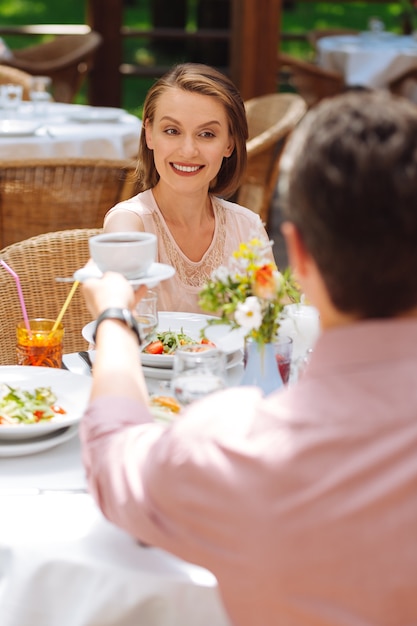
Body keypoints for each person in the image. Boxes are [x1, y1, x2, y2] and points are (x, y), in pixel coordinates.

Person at [80, 90, 417, 626]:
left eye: (208, 133)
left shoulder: (231, 448)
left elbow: (111, 455)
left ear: (298, 256)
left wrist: (114, 323)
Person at [103, 62, 272, 313]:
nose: (188, 151)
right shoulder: (129, 224)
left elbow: (276, 326)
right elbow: (117, 312)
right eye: (172, 131)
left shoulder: (247, 228)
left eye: (207, 134)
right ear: (149, 134)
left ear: (229, 144)